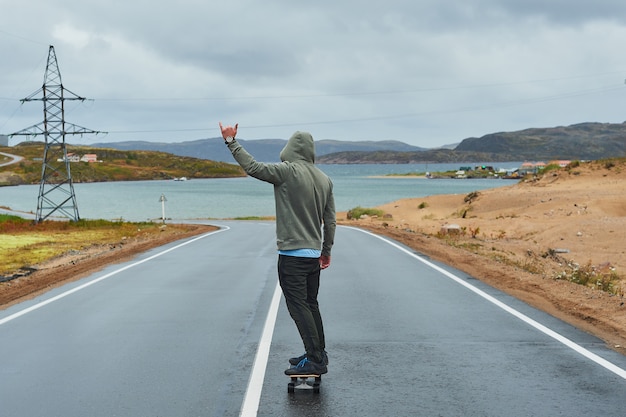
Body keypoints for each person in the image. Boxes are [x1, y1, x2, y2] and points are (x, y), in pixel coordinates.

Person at [219, 122, 336, 375]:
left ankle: (314, 360)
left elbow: (253, 167)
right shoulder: (325, 179)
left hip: (292, 255)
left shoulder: (287, 171)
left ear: (291, 149)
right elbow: (331, 220)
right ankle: (318, 354)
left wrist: (231, 142)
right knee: (311, 304)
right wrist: (326, 250)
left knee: (298, 307)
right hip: (314, 254)